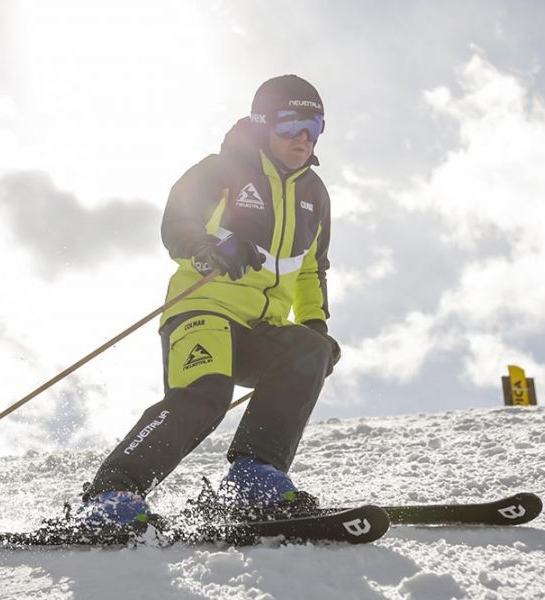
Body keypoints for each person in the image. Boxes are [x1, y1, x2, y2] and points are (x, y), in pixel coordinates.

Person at [64, 75, 341, 536]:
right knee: (208, 395)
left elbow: (313, 269)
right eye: (291, 124)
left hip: (261, 326)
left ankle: (253, 482)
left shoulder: (315, 195)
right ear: (263, 124)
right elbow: (178, 223)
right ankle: (112, 495)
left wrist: (315, 326)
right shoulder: (221, 170)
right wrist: (209, 248)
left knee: (308, 350)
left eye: (314, 126)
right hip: (204, 311)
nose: (303, 138)